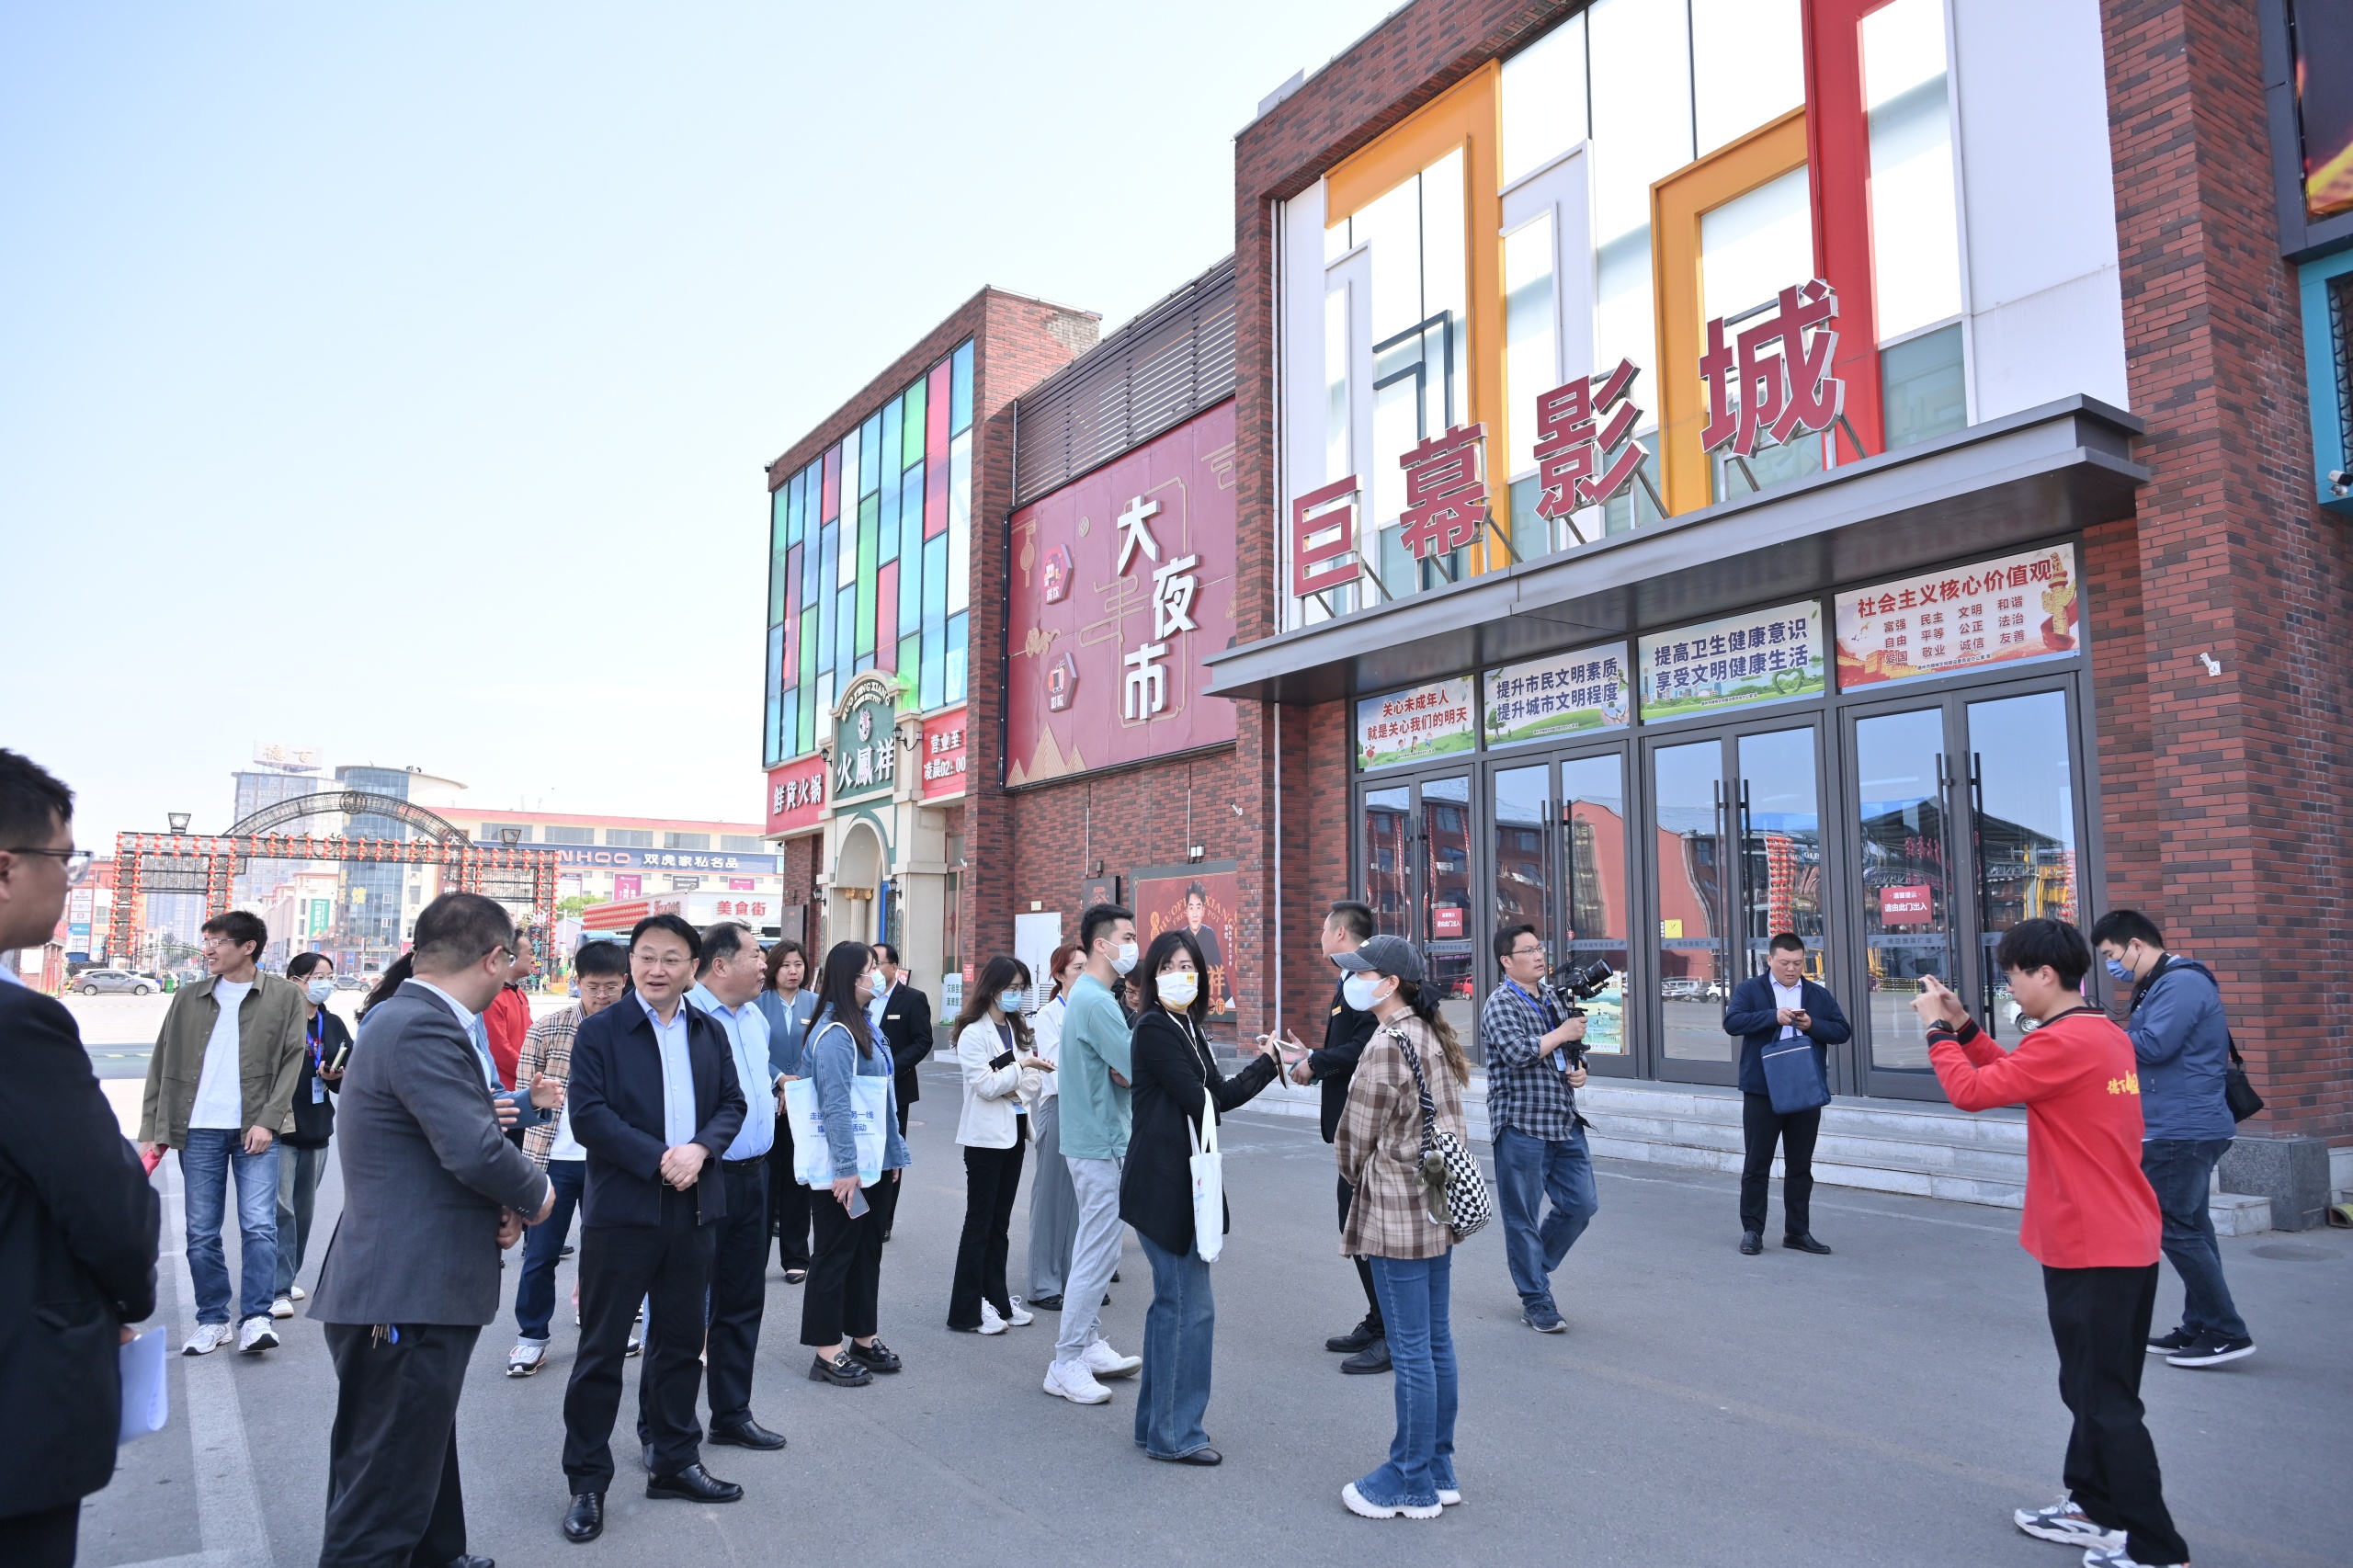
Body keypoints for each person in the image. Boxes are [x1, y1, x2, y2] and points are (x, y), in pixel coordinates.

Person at [1915, 919, 2189, 1568]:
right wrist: (1965, 1026)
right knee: (2090, 1387)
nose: (2010, 986)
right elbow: (2016, 1074)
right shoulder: (2099, 1033)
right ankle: (2092, 1505)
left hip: (2093, 1243)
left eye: (2012, 975)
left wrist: (1936, 1032)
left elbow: (1972, 1092)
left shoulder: (2066, 1041)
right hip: (2116, 1238)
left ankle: (2157, 1547)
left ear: (2044, 974)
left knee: (2105, 1400)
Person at [310, 892, 556, 1568]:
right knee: (382, 1489)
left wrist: (496, 1204)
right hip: (405, 1291)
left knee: (415, 1448)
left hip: (408, 1284)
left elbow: (439, 1147)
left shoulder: (409, 1016)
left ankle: (439, 1555)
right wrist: (536, 1195)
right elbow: (473, 1148)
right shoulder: (421, 1025)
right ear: (495, 958)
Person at [0, 751, 161, 1568]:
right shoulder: (19, 1027)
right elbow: (107, 1204)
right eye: (64, 859)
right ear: (6, 868)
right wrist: (128, 1297)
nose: (70, 879)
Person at [559, 914, 748, 1543]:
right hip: (623, 1211)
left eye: (670, 958)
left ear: (693, 968)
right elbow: (588, 1116)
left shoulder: (706, 1029)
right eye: (645, 956)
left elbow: (733, 1104)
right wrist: (659, 1158)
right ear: (631, 962)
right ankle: (587, 1481)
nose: (656, 969)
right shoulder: (602, 1030)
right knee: (602, 1351)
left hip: (693, 1208)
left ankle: (673, 1459)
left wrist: (700, 1150)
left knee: (679, 1343)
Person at [1119, 928, 1290, 1463]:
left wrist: (1268, 1062)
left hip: (1183, 1181)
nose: (1180, 975)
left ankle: (1156, 1426)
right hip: (1163, 1183)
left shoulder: (1188, 1026)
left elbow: (1218, 1094)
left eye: (1188, 966)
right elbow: (1204, 1102)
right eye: (1168, 967)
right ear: (1152, 977)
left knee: (1172, 1306)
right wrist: (1266, 1067)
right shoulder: (1154, 1027)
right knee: (1189, 1309)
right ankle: (1175, 1435)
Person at [1333, 935, 1468, 1520]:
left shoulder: (1387, 1043)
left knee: (1412, 1349)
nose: (1351, 981)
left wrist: (1361, 1172)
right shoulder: (1429, 1033)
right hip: (1435, 1203)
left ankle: (1409, 1480)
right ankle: (1437, 1467)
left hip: (1396, 1211)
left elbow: (1352, 1141)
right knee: (1434, 1341)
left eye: (1360, 973)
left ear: (1389, 983)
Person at [2090, 908, 2255, 1368]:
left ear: (2136, 945)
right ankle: (2200, 1324)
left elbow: (2153, 1046)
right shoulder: (2164, 983)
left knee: (2175, 1226)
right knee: (2192, 1227)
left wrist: (2094, 1034)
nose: (2112, 965)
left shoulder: (2180, 984)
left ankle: (2227, 1331)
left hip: (2182, 1128)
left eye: (2112, 954)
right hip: (2181, 1124)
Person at [139, 907, 305, 1356]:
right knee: (201, 1232)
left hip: (255, 1127)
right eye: (206, 941)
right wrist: (152, 1126)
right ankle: (213, 1320)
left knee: (259, 1226)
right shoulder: (188, 997)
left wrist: (269, 1120)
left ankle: (256, 1318)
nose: (208, 950)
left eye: (217, 942)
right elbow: (161, 1061)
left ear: (248, 947)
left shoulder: (283, 996)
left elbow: (292, 1060)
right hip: (197, 1129)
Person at [684, 922, 789, 1450]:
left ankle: (731, 1413)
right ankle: (670, 1430)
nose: (766, 964)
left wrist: (779, 1084)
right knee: (684, 1307)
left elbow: (755, 1076)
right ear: (721, 964)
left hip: (755, 1173)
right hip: (703, 1177)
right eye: (756, 955)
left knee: (743, 1300)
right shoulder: (686, 1018)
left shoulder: (753, 1018)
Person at [505, 937, 630, 1378]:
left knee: (608, 1254)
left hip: (611, 1162)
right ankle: (531, 1338)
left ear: (625, 982)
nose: (602, 995)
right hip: (553, 1159)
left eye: (611, 987)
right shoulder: (548, 1028)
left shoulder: (637, 1029)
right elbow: (521, 1102)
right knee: (541, 1254)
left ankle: (605, 1328)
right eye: (593, 987)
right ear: (578, 982)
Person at [1042, 903, 1147, 1405]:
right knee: (1097, 1248)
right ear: (1101, 945)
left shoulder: (1089, 995)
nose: (1134, 946)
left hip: (1098, 1136)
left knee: (1099, 1243)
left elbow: (1125, 1070)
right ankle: (1066, 1360)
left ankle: (1085, 1342)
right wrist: (1126, 1070)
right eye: (1127, 937)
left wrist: (1124, 1071)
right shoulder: (1098, 1001)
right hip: (1098, 1139)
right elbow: (1135, 1066)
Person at [799, 941, 914, 1387]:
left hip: (872, 1162)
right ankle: (827, 1351)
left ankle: (863, 1337)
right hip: (843, 1168)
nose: (880, 975)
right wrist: (847, 1167)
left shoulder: (864, 1024)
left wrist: (892, 1154)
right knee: (834, 1254)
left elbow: (882, 1098)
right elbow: (836, 1106)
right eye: (871, 968)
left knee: (867, 1251)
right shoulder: (835, 1034)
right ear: (851, 978)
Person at [1283, 901, 1388, 1372]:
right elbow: (1352, 1047)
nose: (1320, 937)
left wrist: (1317, 1062)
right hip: (1352, 1128)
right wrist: (1312, 1056)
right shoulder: (1352, 978)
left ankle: (1390, 1331)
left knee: (1365, 1229)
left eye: (1325, 929)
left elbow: (1366, 1047)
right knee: (1355, 1225)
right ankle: (1379, 1319)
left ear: (1341, 933)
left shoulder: (1368, 979)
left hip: (1370, 1130)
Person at [1477, 922, 1596, 1334]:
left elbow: (1570, 1050)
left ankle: (1533, 1269)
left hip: (1563, 1120)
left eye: (1539, 948)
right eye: (1527, 951)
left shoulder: (1552, 997)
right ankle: (1535, 1298)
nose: (1538, 955)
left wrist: (1580, 1070)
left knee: (1581, 1205)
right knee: (1522, 1216)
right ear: (1507, 961)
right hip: (1521, 1123)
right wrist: (1561, 1032)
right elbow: (1517, 1052)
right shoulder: (1500, 1004)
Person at [1722, 932, 1853, 1256]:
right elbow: (1732, 1022)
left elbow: (1842, 1031)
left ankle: (1797, 1232)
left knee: (1800, 1165)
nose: (1791, 969)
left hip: (1805, 1088)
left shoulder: (1817, 994)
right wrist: (1772, 1016)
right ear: (1770, 960)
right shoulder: (1751, 990)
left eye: (1797, 963)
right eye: (1784, 963)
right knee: (1757, 1163)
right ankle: (1753, 1231)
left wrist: (1811, 1025)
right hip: (1762, 1090)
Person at [949, 956, 1047, 1334]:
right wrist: (1022, 1069)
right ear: (992, 988)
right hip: (985, 1139)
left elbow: (1033, 1084)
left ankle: (998, 1302)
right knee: (980, 1222)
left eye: (1022, 988)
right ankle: (967, 1310)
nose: (1017, 995)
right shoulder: (973, 1033)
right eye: (1011, 988)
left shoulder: (1018, 1028)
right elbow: (987, 1086)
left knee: (1000, 1224)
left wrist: (1015, 1080)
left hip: (1016, 1130)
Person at [270, 950, 351, 1318]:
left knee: (303, 1211)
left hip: (317, 1127)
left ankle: (286, 1278)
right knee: (281, 1210)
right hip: (281, 1128)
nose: (326, 984)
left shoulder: (332, 1024)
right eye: (318, 977)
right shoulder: (277, 1022)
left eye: (329, 977)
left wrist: (337, 1076)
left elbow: (350, 1075)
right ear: (295, 982)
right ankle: (276, 1287)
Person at [754, 938, 819, 1282]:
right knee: (765, 1181)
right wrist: (779, 1080)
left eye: (798, 965)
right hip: (768, 1103)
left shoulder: (818, 1003)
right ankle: (756, 1256)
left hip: (804, 1101)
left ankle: (796, 1256)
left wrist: (796, 1085)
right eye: (785, 965)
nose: (793, 971)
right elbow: (753, 1052)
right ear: (773, 968)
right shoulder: (756, 1003)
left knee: (798, 1180)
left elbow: (819, 1048)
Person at [1026, 942, 1085, 1309]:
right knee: (1051, 1198)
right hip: (1061, 1106)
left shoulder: (1095, 1009)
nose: (1084, 973)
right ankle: (1044, 1284)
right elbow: (1055, 1067)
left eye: (1086, 967)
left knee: (1082, 1198)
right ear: (1059, 975)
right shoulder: (1049, 1015)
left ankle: (1076, 1278)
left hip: (1091, 1110)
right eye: (1077, 968)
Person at [867, 942, 933, 1242]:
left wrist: (892, 1067)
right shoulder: (863, 996)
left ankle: (884, 1219)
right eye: (870, 965)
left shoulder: (913, 999)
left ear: (894, 967)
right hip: (862, 1088)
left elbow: (922, 1041)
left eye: (878, 964)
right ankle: (862, 1212)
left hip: (895, 1088)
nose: (873, 971)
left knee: (891, 1153)